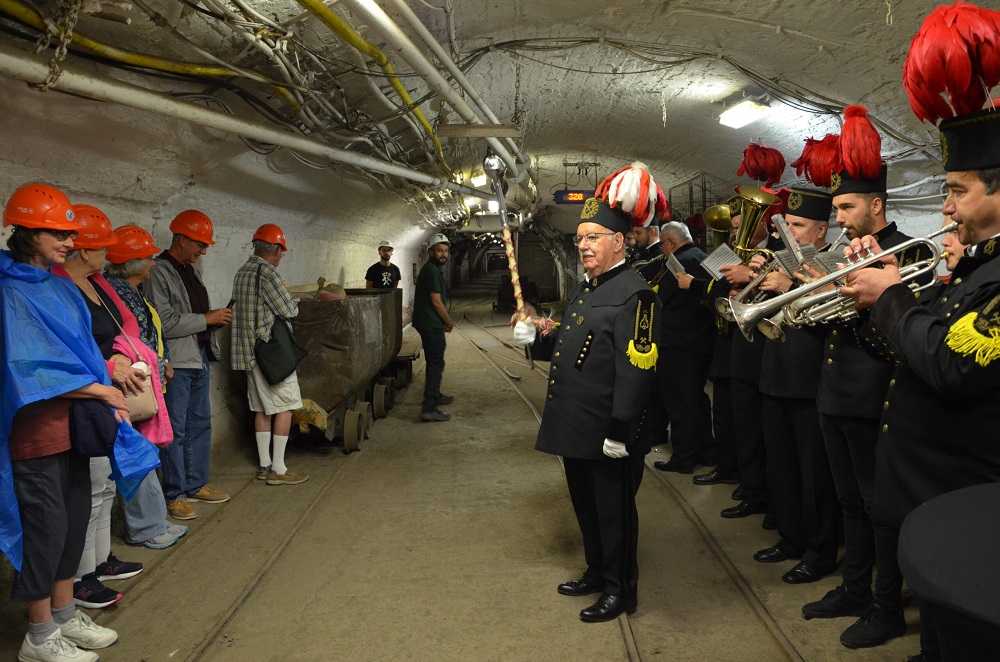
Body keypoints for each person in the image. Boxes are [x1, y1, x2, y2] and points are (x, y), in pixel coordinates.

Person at [839, 9, 1000, 657]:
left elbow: (948, 363)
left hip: (965, 495)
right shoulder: (976, 267)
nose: (945, 207)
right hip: (925, 482)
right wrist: (867, 303)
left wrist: (894, 294)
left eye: (957, 190)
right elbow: (907, 349)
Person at [801, 105, 931, 649]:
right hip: (836, 394)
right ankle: (855, 589)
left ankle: (886, 606)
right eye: (835, 208)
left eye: (847, 206)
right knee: (849, 500)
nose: (839, 218)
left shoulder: (909, 253)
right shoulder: (839, 254)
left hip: (877, 400)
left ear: (877, 204)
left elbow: (906, 338)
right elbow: (823, 332)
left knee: (880, 508)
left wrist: (862, 298)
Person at [514, 165, 661, 623]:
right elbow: (569, 342)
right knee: (585, 505)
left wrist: (621, 430)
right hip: (576, 424)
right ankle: (597, 571)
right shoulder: (585, 288)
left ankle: (621, 590)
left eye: (593, 237)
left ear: (619, 242)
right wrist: (535, 338)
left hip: (608, 429)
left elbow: (638, 369)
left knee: (615, 512)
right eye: (580, 238)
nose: (583, 246)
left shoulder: (637, 295)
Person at [1, 183, 121, 662]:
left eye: (71, 234)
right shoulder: (10, 292)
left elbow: (80, 352)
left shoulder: (55, 285)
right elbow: (27, 366)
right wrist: (97, 388)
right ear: (27, 232)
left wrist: (110, 371)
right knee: (44, 530)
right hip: (35, 436)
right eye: (59, 233)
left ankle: (66, 614)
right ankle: (39, 635)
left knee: (71, 525)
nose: (71, 243)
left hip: (71, 429)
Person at [56, 204, 152, 610]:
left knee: (106, 483)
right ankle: (81, 578)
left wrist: (125, 359)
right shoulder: (58, 286)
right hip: (85, 398)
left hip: (112, 390)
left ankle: (99, 560)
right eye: (102, 247)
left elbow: (127, 324)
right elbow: (67, 347)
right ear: (84, 251)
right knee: (90, 486)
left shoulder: (99, 283)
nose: (108, 254)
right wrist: (109, 366)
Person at [753, 187, 840, 585]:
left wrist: (790, 287)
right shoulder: (779, 260)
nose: (793, 232)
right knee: (782, 469)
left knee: (813, 476)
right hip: (775, 377)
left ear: (822, 229)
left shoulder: (834, 264)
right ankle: (790, 538)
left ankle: (820, 551)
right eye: (789, 224)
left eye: (800, 225)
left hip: (809, 385)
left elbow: (835, 323)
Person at [104, 225, 190, 550]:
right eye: (149, 257)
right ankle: (144, 527)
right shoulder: (117, 291)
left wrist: (162, 361)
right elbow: (130, 337)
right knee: (135, 455)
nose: (154, 263)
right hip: (130, 382)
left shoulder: (133, 290)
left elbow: (151, 329)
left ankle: (153, 521)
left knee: (144, 452)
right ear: (134, 261)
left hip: (143, 378)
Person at [147, 210, 232, 520]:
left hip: (198, 358)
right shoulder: (159, 271)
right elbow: (164, 323)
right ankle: (175, 494)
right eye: (200, 243)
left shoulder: (190, 270)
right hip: (177, 363)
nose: (203, 251)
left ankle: (197, 485)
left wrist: (212, 321)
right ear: (181, 239)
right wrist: (206, 319)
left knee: (200, 424)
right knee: (176, 430)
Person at [230, 223, 309, 486]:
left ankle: (264, 464)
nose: (280, 258)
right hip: (270, 355)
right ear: (275, 249)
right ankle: (279, 469)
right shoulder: (267, 273)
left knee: (262, 409)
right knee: (285, 406)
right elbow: (288, 310)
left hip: (248, 354)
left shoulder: (242, 272)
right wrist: (292, 300)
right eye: (281, 253)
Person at [650, 221, 716, 473]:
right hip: (702, 343)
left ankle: (683, 458)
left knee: (679, 403)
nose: (663, 251)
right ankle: (706, 451)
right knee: (698, 399)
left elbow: (660, 297)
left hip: (677, 344)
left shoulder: (676, 263)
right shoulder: (703, 256)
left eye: (663, 246)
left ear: (671, 243)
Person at [412, 233, 454, 422]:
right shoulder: (431, 271)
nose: (443, 254)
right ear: (431, 252)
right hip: (431, 323)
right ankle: (429, 407)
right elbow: (436, 303)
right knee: (436, 363)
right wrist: (448, 321)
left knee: (434, 361)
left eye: (445, 251)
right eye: (439, 250)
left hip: (428, 322)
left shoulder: (433, 269)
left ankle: (435, 395)